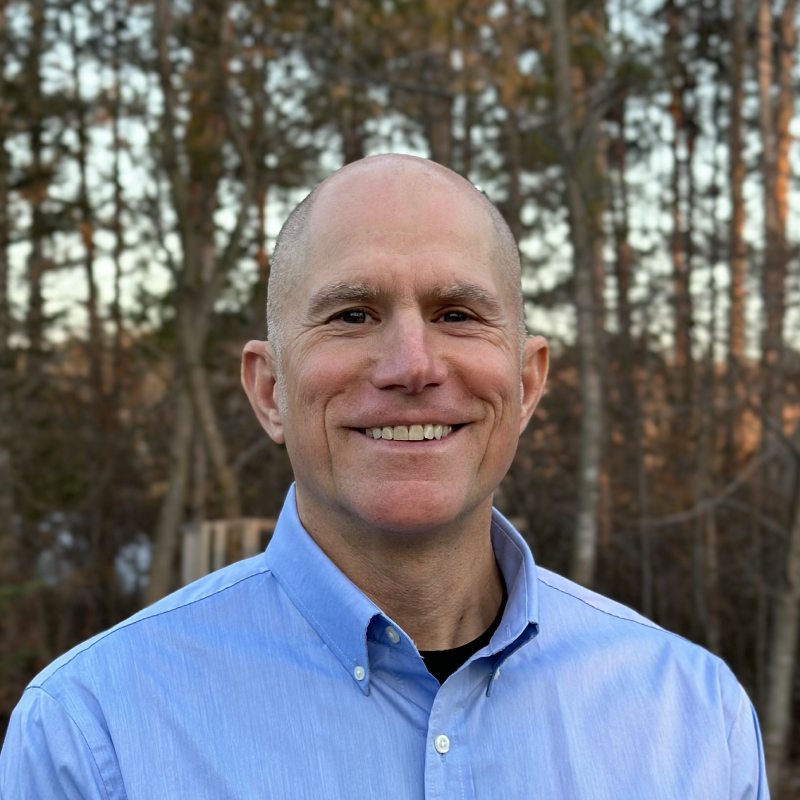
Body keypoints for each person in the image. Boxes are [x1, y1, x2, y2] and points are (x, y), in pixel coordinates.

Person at [0, 155, 766, 799]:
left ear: (527, 384)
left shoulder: (694, 718)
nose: (413, 366)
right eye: (354, 315)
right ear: (270, 391)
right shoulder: (95, 733)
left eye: (458, 313)